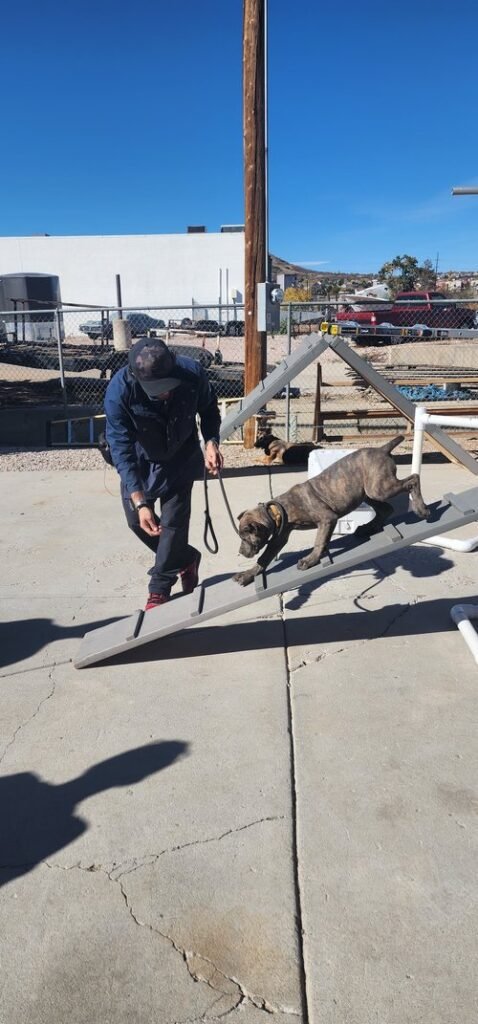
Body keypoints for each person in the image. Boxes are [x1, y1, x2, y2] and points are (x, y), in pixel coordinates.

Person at [104, 336, 223, 611]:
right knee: (138, 521)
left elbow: (208, 410)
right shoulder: (118, 392)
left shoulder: (192, 373)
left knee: (172, 527)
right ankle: (185, 558)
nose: (165, 393)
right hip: (141, 462)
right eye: (156, 390)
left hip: (180, 458)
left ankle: (159, 589)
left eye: (168, 386)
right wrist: (140, 501)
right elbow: (121, 449)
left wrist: (211, 442)